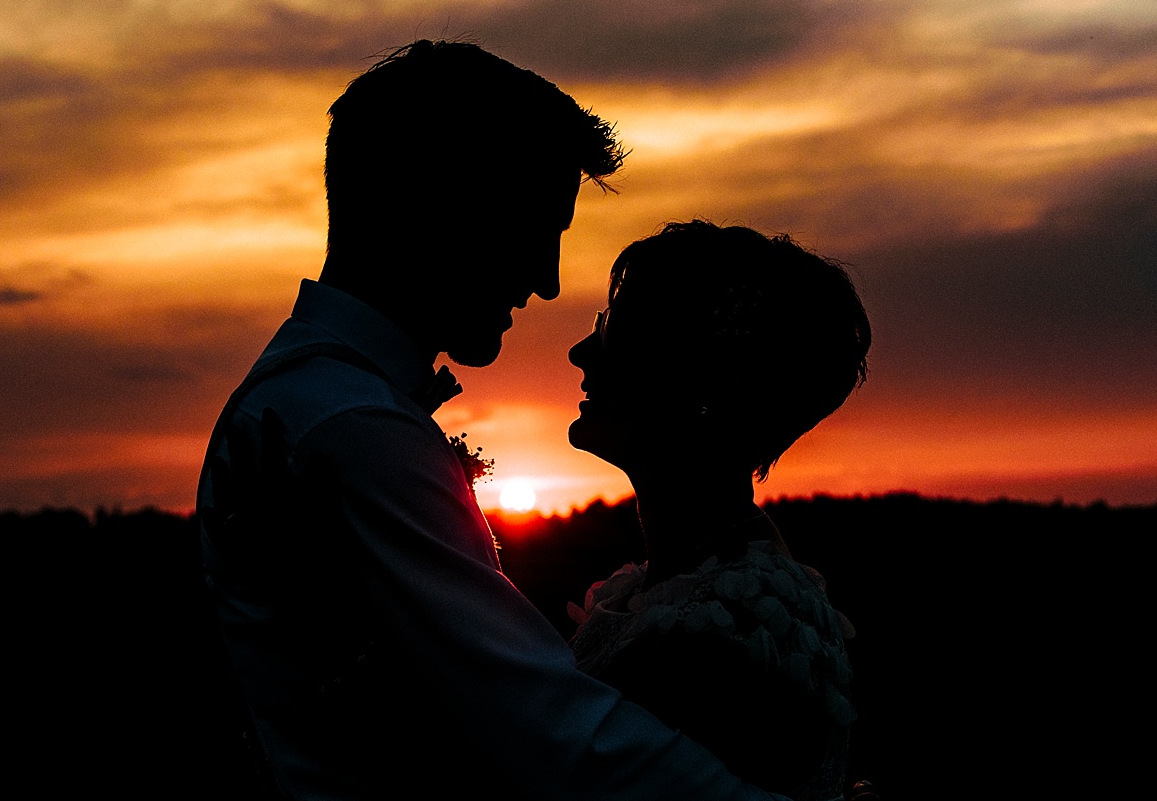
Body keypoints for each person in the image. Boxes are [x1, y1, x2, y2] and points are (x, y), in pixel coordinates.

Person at [197, 41, 790, 801]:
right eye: (535, 228)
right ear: (442, 210)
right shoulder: (348, 427)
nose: (544, 282)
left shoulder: (316, 403)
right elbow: (545, 724)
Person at [567, 220, 873, 801]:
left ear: (718, 382)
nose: (582, 352)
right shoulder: (699, 591)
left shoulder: (709, 643)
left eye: (618, 330)